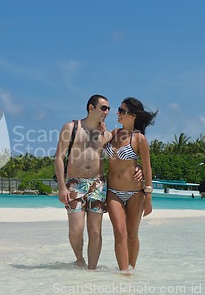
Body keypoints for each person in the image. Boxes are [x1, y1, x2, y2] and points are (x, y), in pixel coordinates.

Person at [54, 95, 142, 270]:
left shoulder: (107, 134)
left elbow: (125, 152)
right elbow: (58, 158)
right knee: (76, 230)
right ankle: (79, 259)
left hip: (98, 185)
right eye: (103, 108)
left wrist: (137, 166)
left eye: (108, 108)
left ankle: (91, 269)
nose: (107, 112)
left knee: (95, 231)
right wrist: (62, 187)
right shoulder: (71, 128)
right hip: (75, 184)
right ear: (91, 108)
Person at [105, 97, 158, 272]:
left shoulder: (139, 139)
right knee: (120, 233)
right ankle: (124, 274)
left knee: (132, 235)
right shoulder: (112, 134)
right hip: (113, 192)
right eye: (118, 110)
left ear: (133, 116)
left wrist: (148, 197)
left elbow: (148, 168)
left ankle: (132, 269)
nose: (118, 113)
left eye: (122, 111)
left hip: (136, 193)